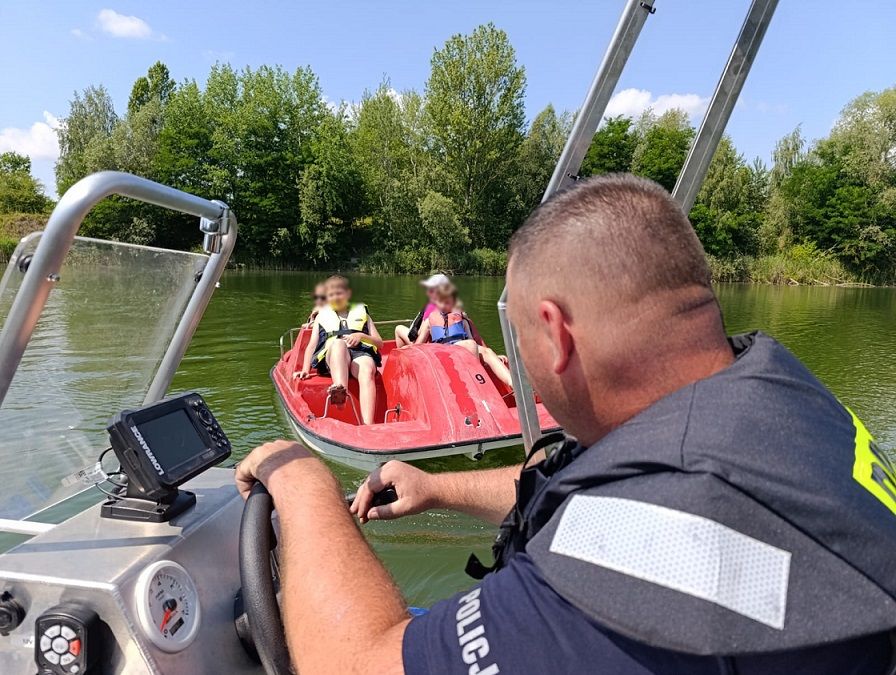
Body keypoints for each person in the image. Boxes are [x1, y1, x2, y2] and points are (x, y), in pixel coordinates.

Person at [235, 175, 896, 674]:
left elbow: (354, 665)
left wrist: (299, 479)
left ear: (554, 333)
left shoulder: (636, 576)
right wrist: (441, 487)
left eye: (518, 339)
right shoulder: (779, 399)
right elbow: (630, 515)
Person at [297, 275, 383, 425]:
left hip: (359, 353)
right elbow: (312, 345)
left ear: (348, 294)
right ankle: (340, 392)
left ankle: (368, 425)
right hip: (334, 356)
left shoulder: (363, 313)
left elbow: (379, 343)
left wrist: (361, 336)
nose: (335, 297)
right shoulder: (321, 317)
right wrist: (305, 368)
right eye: (331, 295)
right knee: (338, 344)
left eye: (339, 293)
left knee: (367, 369)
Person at [413, 283, 514, 389]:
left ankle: (512, 383)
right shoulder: (430, 320)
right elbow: (418, 345)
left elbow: (473, 341)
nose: (443, 305)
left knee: (486, 351)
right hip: (441, 350)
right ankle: (476, 381)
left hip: (462, 347)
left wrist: (493, 357)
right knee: (469, 344)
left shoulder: (461, 319)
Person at [394, 273, 451, 348]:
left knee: (398, 329)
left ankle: (403, 356)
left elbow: (421, 334)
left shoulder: (431, 307)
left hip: (427, 345)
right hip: (446, 343)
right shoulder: (452, 305)